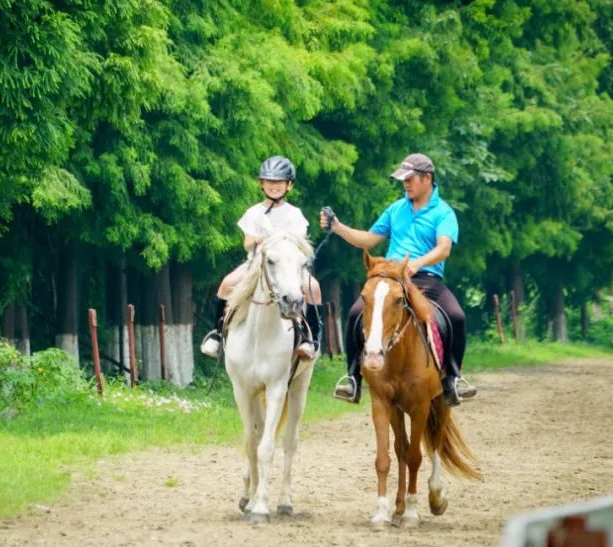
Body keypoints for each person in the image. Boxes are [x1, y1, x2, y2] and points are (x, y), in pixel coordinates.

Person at [320, 153, 476, 406]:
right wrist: (337, 227)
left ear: (427, 179)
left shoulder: (444, 212)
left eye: (410, 178)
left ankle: (453, 379)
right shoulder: (395, 209)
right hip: (392, 277)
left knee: (456, 316)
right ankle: (352, 378)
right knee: (355, 313)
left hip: (426, 279)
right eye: (403, 179)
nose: (405, 183)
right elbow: (369, 240)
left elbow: (443, 248)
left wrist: (417, 263)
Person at [200, 156, 324, 361]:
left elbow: (299, 243)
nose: (274, 186)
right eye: (270, 182)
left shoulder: (294, 214)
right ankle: (217, 333)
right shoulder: (254, 212)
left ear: (289, 185)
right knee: (227, 283)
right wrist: (258, 239)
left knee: (315, 287)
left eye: (279, 183)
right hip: (256, 263)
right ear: (262, 184)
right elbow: (247, 244)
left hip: (288, 265)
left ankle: (310, 340)